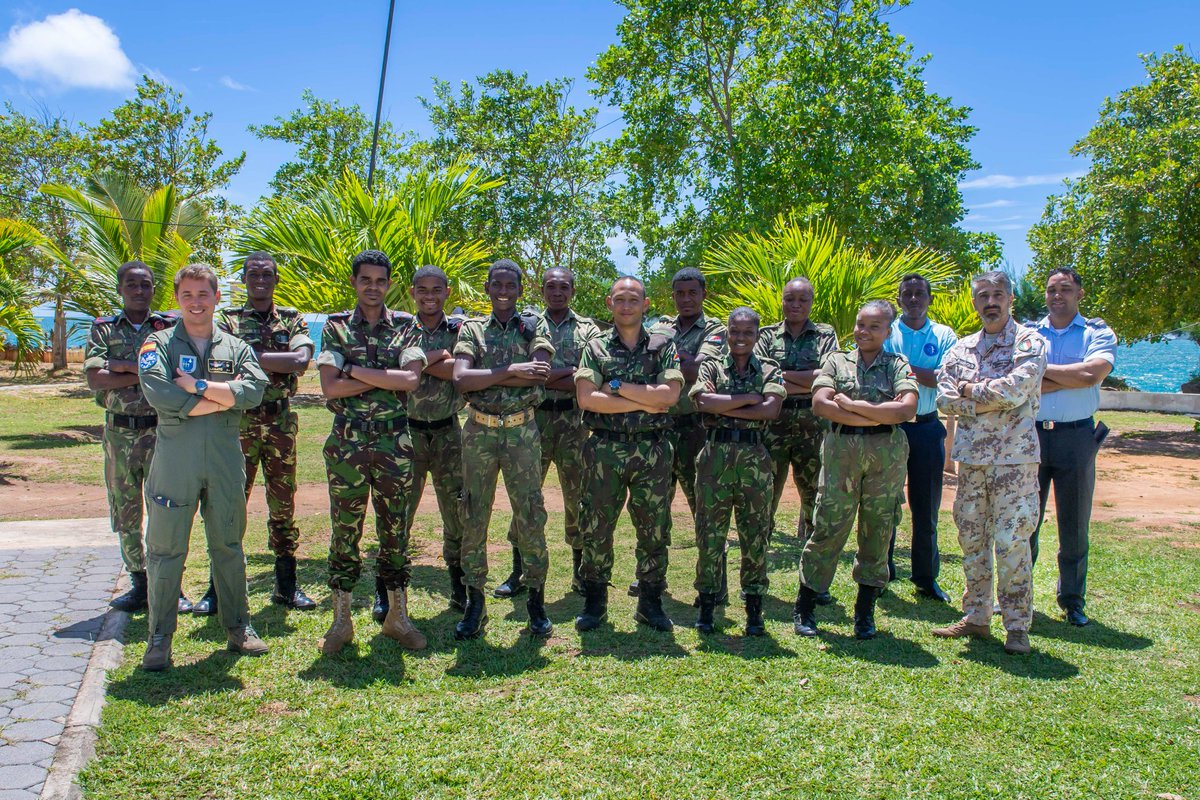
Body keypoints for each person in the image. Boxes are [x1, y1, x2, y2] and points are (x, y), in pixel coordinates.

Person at [137, 263, 269, 671]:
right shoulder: (156, 344)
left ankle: (238, 627)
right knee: (165, 549)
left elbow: (255, 390)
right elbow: (158, 391)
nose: (196, 303)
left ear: (216, 298)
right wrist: (222, 400)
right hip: (175, 461)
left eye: (203, 294)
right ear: (177, 300)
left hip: (225, 461)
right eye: (187, 295)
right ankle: (160, 638)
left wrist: (197, 387)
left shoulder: (237, 347)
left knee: (228, 546)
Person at [315, 250, 428, 655]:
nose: (374, 287)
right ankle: (341, 621)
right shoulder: (336, 327)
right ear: (354, 282)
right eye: (366, 280)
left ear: (389, 284)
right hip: (347, 442)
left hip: (393, 443)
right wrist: (384, 379)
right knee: (345, 532)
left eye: (381, 281)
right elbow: (331, 387)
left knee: (395, 532)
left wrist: (357, 372)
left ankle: (397, 618)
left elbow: (411, 380)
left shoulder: (406, 326)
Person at [933, 271, 1047, 656]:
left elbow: (1016, 390)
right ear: (974, 302)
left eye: (997, 294)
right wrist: (982, 398)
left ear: (1010, 298)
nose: (990, 302)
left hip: (1015, 461)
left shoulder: (1030, 342)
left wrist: (971, 391)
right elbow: (944, 400)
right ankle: (977, 617)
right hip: (973, 462)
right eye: (983, 296)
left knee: (1012, 540)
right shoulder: (960, 349)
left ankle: (1017, 625)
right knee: (971, 538)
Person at [792, 300, 917, 641]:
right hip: (841, 454)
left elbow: (906, 409)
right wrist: (876, 413)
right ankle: (805, 606)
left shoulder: (897, 364)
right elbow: (820, 404)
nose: (864, 331)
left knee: (877, 530)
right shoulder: (836, 361)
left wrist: (852, 405)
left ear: (888, 332)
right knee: (828, 528)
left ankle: (865, 613)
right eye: (861, 324)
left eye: (874, 326)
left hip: (885, 456)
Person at [452, 259, 554, 640]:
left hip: (521, 431)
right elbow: (462, 379)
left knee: (529, 513)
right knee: (474, 512)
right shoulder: (473, 329)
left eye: (511, 285)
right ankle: (475, 600)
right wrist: (513, 370)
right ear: (487, 287)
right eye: (497, 284)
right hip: (478, 431)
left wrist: (492, 376)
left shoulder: (534, 326)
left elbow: (541, 371)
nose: (504, 291)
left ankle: (536, 601)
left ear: (520, 288)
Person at [574, 276, 683, 632]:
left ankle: (650, 603)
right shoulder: (595, 346)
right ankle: (595, 603)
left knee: (654, 529)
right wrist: (646, 400)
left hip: (652, 450)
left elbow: (669, 397)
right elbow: (587, 398)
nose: (626, 306)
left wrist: (618, 389)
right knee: (596, 526)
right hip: (604, 449)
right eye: (619, 300)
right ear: (609, 303)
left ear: (645, 304)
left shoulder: (663, 344)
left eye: (633, 300)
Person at [208, 252, 315, 615]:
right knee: (229, 505)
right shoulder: (228, 319)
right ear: (244, 278)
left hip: (280, 423)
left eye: (266, 274)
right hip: (236, 423)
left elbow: (300, 361)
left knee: (283, 505)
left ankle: (286, 586)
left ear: (276, 279)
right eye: (253, 274)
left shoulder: (291, 318)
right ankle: (217, 587)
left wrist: (248, 357)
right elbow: (220, 362)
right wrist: (275, 358)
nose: (260, 280)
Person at [85, 261, 192, 614]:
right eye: (132, 285)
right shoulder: (103, 329)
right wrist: (145, 370)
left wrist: (122, 366)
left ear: (153, 289)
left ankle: (170, 585)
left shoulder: (168, 327)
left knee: (167, 508)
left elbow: (178, 371)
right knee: (126, 511)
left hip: (160, 430)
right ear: (120, 289)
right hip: (119, 433)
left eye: (145, 285)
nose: (139, 291)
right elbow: (96, 379)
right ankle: (139, 583)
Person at [499, 267, 601, 598]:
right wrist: (564, 373)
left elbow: (590, 374)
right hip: (534, 421)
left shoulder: (587, 329)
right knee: (525, 497)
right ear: (541, 290)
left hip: (574, 422)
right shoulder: (526, 325)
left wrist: (546, 374)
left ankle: (579, 571)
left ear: (573, 290)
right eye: (551, 287)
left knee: (578, 496)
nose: (557, 292)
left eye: (564, 287)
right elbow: (526, 373)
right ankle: (519, 571)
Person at [691, 307, 785, 636]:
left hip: (754, 460)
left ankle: (754, 609)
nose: (740, 338)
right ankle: (707, 604)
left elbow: (772, 409)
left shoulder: (770, 367)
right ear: (727, 332)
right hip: (714, 457)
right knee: (709, 536)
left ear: (758, 335)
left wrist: (726, 402)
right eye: (735, 332)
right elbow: (703, 402)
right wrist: (748, 398)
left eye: (748, 333)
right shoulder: (712, 364)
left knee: (755, 535)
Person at [1033, 267, 1116, 627]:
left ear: (1079, 293)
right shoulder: (1028, 333)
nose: (1057, 295)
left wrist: (1042, 372)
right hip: (1031, 436)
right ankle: (1015, 596)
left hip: (1077, 438)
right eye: (1051, 289)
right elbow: (1021, 384)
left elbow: (1092, 375)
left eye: (1065, 289)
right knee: (1023, 522)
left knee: (1074, 524)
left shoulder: (1098, 332)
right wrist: (1071, 375)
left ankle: (1072, 600)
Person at [754, 277, 839, 604]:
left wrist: (781, 377)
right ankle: (757, 575)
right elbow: (760, 375)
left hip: (812, 429)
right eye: (790, 299)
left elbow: (827, 377)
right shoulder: (765, 335)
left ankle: (815, 583)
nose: (795, 305)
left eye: (802, 300)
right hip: (772, 428)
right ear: (782, 301)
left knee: (815, 507)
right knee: (764, 504)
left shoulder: (826, 335)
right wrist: (806, 379)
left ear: (811, 302)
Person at [645, 267, 726, 600]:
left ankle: (713, 584)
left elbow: (700, 369)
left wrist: (666, 355)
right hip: (660, 426)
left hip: (697, 428)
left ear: (704, 294)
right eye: (680, 293)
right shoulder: (661, 324)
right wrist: (676, 359)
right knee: (655, 507)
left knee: (705, 509)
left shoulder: (716, 330)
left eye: (693, 292)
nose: (686, 299)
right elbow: (645, 360)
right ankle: (652, 577)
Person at [882, 273, 959, 602]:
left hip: (927, 428)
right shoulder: (885, 330)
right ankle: (880, 572)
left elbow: (947, 379)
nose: (913, 299)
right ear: (898, 299)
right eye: (907, 294)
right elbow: (877, 375)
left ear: (929, 299)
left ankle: (926, 578)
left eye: (919, 294)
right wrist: (922, 373)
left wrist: (903, 369)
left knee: (925, 508)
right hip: (889, 428)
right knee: (883, 504)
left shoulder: (943, 335)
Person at [402, 265, 468, 615]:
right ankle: (391, 589)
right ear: (412, 292)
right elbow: (395, 372)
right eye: (422, 289)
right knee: (400, 512)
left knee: (456, 510)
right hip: (407, 432)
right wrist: (436, 357)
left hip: (448, 432)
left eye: (436, 289)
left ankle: (458, 585)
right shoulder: (400, 328)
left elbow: (460, 373)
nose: (429, 296)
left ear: (447, 293)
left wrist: (415, 363)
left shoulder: (460, 329)